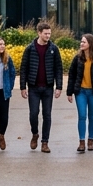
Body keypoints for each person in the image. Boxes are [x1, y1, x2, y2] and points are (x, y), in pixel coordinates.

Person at [18, 22, 63, 153]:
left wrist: (59, 87)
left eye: (49, 33)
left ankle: (45, 142)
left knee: (47, 115)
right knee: (33, 114)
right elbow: (23, 69)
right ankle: (35, 134)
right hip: (33, 87)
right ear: (39, 33)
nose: (48, 36)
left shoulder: (53, 49)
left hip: (48, 87)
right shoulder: (30, 49)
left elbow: (58, 69)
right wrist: (22, 87)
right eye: (45, 33)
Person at [66, 33, 93, 153]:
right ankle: (81, 142)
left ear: (90, 43)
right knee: (82, 116)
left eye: (84, 42)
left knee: (92, 116)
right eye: (81, 42)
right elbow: (72, 76)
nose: (81, 44)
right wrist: (69, 92)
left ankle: (91, 140)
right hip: (81, 92)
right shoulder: (77, 58)